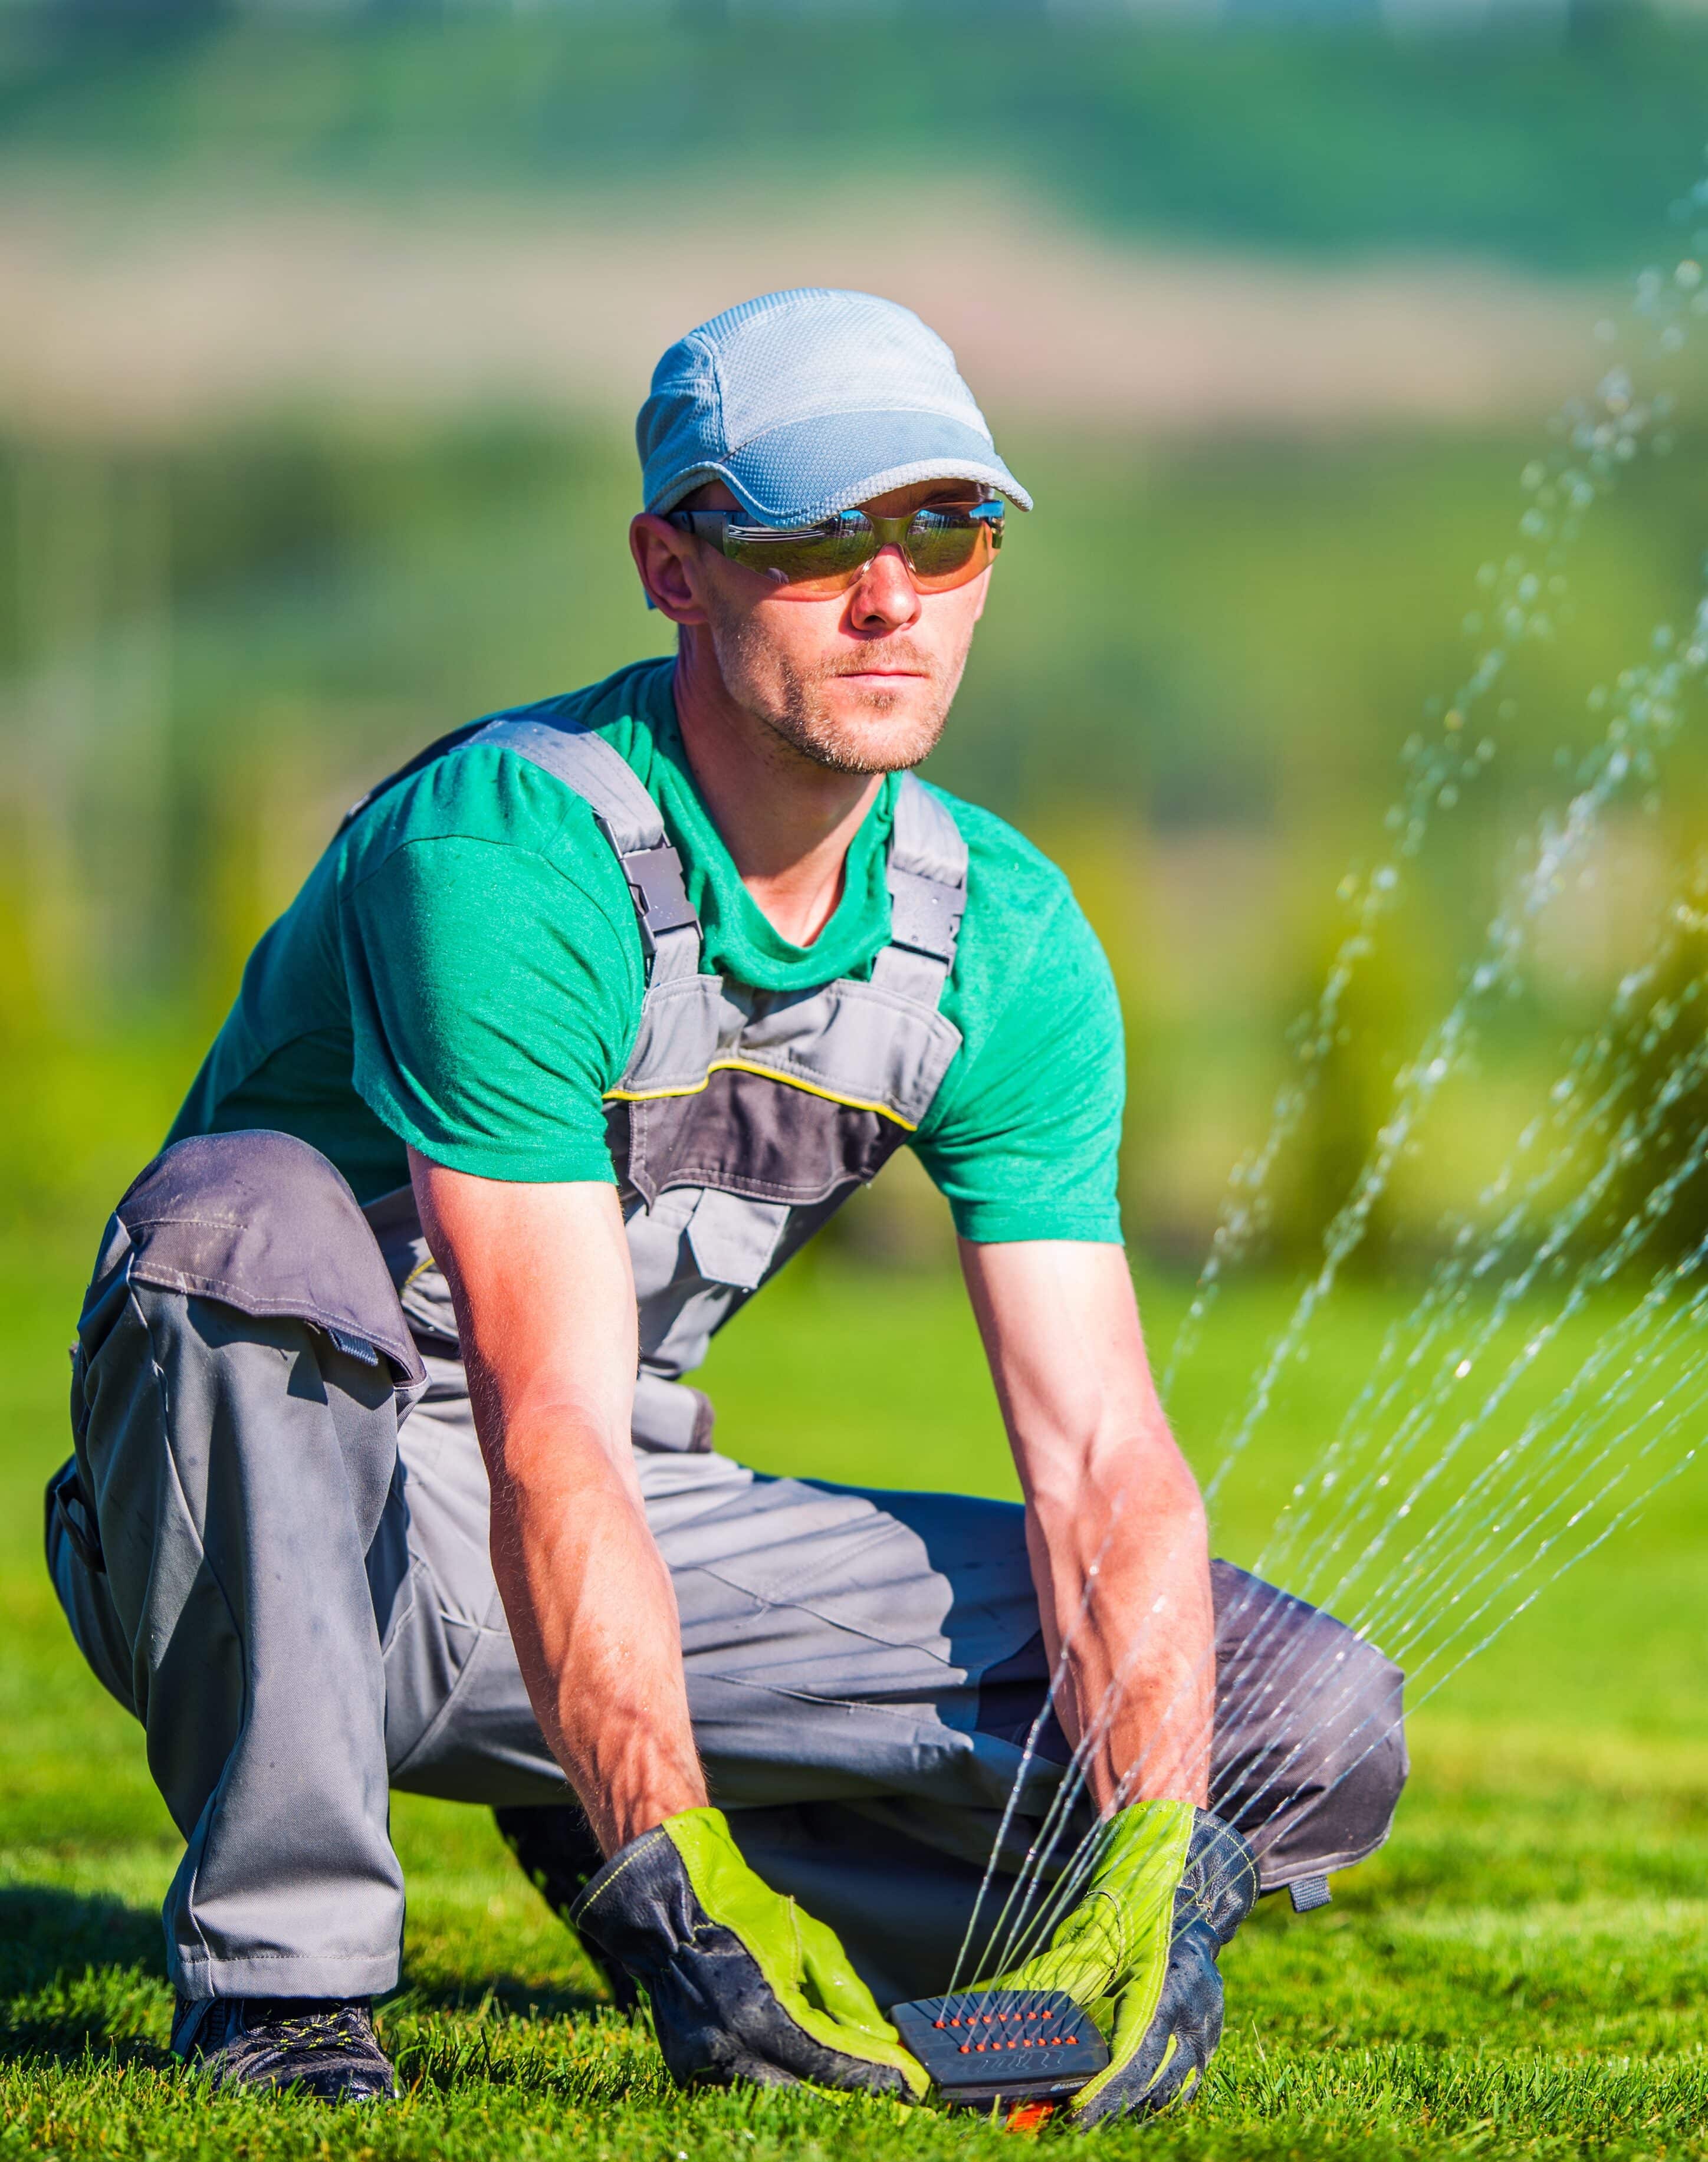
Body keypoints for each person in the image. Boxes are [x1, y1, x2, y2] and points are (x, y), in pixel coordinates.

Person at [45, 288, 1406, 2120]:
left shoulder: (1000, 939)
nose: (889, 596)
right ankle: (294, 1989)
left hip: (628, 1521)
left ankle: (821, 1905)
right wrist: (668, 1856)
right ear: (670, 567)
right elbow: (544, 1431)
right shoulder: (508, 860)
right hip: (286, 1541)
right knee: (241, 1221)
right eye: (813, 536)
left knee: (1289, 1719)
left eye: (943, 531)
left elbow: (1101, 1460)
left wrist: (1158, 1843)